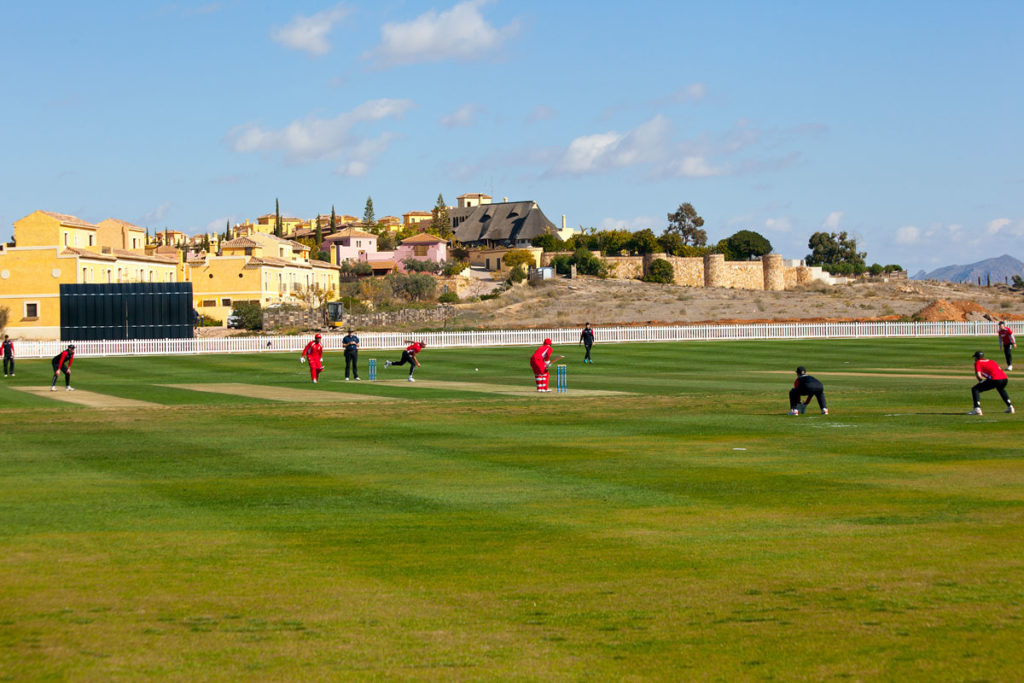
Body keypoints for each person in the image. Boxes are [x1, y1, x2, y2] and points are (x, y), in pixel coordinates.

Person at [969, 350, 1014, 415]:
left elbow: (979, 375)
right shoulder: (991, 361)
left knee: (975, 389)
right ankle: (1010, 407)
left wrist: (981, 382)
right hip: (1004, 378)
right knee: (1001, 389)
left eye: (975, 357)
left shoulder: (978, 362)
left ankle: (977, 409)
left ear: (977, 357)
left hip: (995, 379)